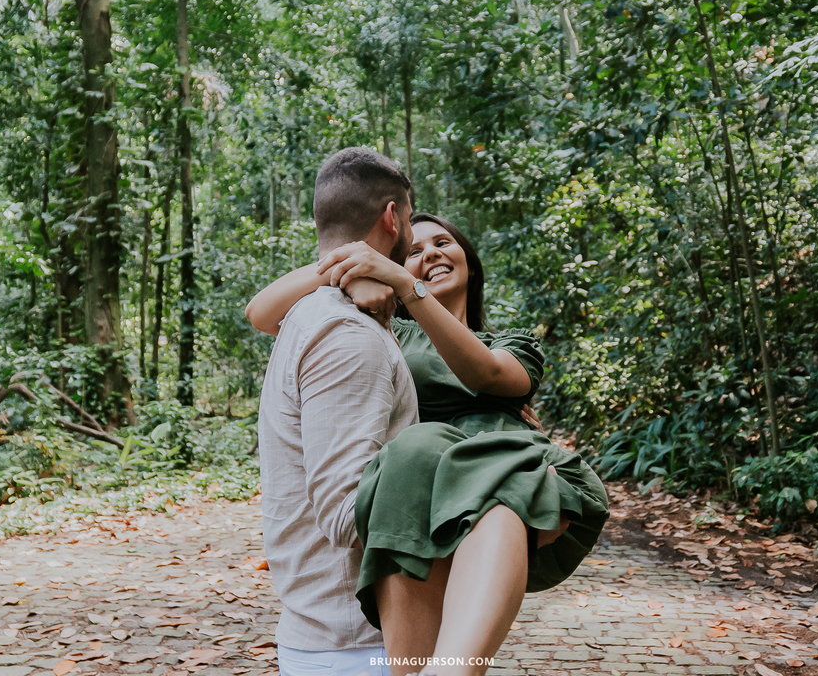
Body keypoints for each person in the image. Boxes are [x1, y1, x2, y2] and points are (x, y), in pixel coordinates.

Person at [247, 209, 610, 676]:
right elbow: (261, 312)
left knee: (499, 502)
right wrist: (355, 267)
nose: (430, 254)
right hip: (420, 484)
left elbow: (489, 373)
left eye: (444, 243)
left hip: (513, 472)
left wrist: (403, 282)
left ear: (470, 263)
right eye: (414, 250)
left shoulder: (510, 343)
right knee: (423, 482)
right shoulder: (384, 328)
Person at [256, 147, 419, 676]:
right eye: (413, 219)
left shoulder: (316, 314)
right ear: (392, 218)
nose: (414, 237)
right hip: (356, 646)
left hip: (339, 639)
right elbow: (346, 514)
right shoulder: (347, 336)